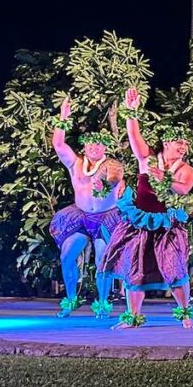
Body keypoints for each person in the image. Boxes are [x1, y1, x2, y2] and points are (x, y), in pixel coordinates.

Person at [100, 87, 193, 329]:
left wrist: (164, 179)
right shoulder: (148, 159)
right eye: (179, 142)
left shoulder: (186, 169)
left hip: (167, 224)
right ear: (166, 142)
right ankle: (132, 318)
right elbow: (134, 136)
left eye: (185, 143)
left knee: (174, 268)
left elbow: (184, 189)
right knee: (136, 270)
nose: (183, 147)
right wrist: (131, 112)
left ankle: (185, 314)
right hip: (140, 222)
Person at [49, 97, 126, 319]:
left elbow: (115, 177)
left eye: (99, 144)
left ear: (105, 147)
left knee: (102, 259)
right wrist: (63, 117)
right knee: (67, 255)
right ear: (84, 146)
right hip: (80, 216)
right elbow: (59, 145)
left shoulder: (111, 164)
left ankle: (102, 304)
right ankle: (71, 299)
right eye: (90, 144)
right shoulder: (75, 163)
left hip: (106, 217)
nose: (94, 148)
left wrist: (107, 183)